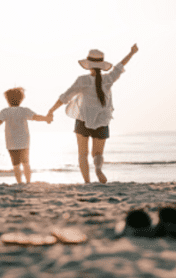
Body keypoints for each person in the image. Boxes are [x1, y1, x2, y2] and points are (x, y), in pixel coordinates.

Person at [47, 44, 138, 184]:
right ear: (101, 65)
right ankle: (98, 169)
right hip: (102, 120)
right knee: (98, 153)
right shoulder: (108, 79)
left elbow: (65, 97)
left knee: (82, 154)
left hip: (83, 119)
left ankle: (87, 182)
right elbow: (120, 66)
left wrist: (51, 110)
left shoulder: (83, 80)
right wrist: (131, 53)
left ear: (88, 65)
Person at [0, 87, 52, 184]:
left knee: (15, 164)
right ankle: (28, 181)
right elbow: (36, 117)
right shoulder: (24, 110)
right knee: (26, 163)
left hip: (11, 142)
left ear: (7, 99)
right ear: (21, 99)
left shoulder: (5, 111)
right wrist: (46, 119)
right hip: (24, 141)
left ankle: (19, 182)